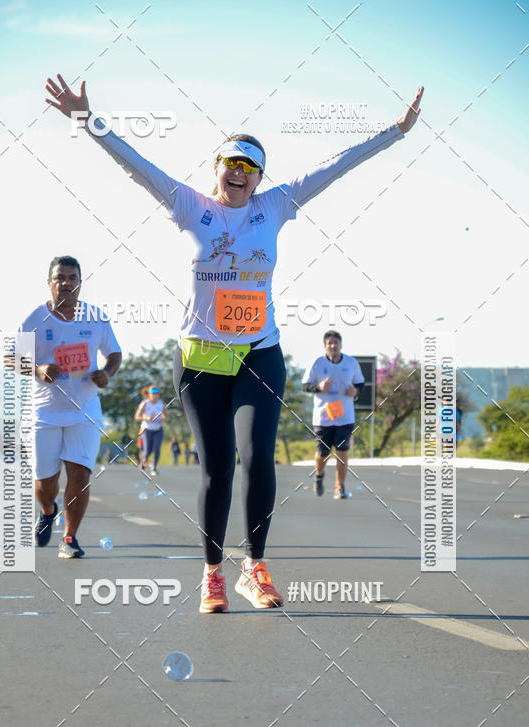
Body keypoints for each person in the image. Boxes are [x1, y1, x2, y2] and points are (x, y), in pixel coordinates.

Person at [46, 73, 423, 611]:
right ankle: (212, 574)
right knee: (218, 468)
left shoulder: (277, 205)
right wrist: (88, 120)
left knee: (258, 457)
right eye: (233, 162)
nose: (241, 172)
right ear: (216, 169)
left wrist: (397, 132)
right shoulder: (189, 204)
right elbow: (132, 163)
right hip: (201, 357)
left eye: (251, 165)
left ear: (260, 176)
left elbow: (340, 165)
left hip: (259, 353)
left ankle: (256, 566)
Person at [20, 255, 122, 559]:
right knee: (45, 483)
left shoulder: (95, 317)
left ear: (80, 282)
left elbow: (115, 354)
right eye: (60, 278)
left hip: (85, 409)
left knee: (80, 474)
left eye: (72, 278)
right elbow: (11, 358)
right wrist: (38, 369)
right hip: (44, 412)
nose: (66, 283)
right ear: (49, 283)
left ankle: (70, 537)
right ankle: (48, 510)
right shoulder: (35, 319)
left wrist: (106, 373)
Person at [302, 331, 364, 500]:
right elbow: (305, 386)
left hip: (345, 416)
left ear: (341, 345)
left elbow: (360, 383)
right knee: (323, 453)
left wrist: (355, 391)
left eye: (335, 342)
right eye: (329, 343)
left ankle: (339, 486)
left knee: (342, 451)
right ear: (325, 346)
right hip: (323, 416)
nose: (333, 346)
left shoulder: (351, 362)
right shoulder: (317, 362)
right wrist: (319, 387)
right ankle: (319, 476)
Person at [135, 385, 166, 477]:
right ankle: (144, 462)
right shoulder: (145, 403)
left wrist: (163, 419)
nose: (155, 396)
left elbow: (165, 415)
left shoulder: (161, 403)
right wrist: (146, 418)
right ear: (149, 395)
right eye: (153, 394)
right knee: (148, 450)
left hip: (158, 429)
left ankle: (154, 467)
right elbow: (137, 417)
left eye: (157, 394)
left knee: (157, 449)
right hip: (147, 429)